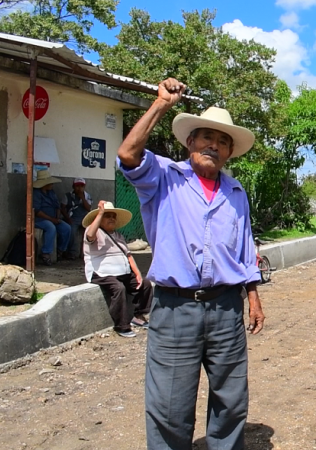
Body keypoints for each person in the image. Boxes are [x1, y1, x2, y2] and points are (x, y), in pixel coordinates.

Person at [117, 78, 265, 450]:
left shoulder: (235, 192)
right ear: (190, 143)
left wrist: (254, 296)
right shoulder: (164, 176)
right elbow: (127, 156)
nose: (213, 145)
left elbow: (245, 247)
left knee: (231, 399)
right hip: (174, 307)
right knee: (169, 405)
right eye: (205, 138)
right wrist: (160, 105)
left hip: (226, 307)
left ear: (230, 152)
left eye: (223, 141)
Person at [83, 200, 152, 338]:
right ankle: (121, 325)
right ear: (100, 218)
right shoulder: (93, 232)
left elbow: (129, 255)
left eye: (113, 216)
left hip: (123, 272)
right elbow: (90, 235)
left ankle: (138, 315)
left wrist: (137, 273)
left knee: (145, 284)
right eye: (107, 216)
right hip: (102, 273)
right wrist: (100, 212)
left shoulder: (118, 236)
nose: (112, 218)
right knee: (118, 288)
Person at [32, 169, 72, 265]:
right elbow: (37, 211)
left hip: (53, 218)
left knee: (67, 228)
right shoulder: (36, 193)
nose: (52, 185)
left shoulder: (51, 192)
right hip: (40, 219)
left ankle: (60, 250)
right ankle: (46, 253)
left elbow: (57, 206)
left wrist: (57, 217)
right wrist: (51, 219)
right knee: (51, 227)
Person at [63, 178, 93, 256]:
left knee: (89, 232)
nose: (79, 188)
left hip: (84, 218)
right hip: (73, 219)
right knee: (71, 232)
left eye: (81, 186)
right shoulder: (68, 196)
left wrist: (82, 198)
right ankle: (71, 253)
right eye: (77, 186)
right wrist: (68, 218)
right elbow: (62, 208)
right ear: (73, 186)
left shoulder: (87, 195)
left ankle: (85, 253)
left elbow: (88, 208)